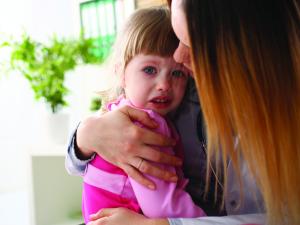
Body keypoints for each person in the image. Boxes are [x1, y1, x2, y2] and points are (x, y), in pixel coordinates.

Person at [66, 0, 300, 225]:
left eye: (191, 43)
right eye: (149, 69)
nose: (178, 56)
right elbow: (76, 162)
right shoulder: (146, 115)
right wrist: (85, 135)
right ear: (121, 72)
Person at [81, 7, 205, 223]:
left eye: (177, 73)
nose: (164, 85)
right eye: (149, 70)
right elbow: (162, 205)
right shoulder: (145, 124)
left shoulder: (118, 110)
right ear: (121, 73)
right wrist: (205, 220)